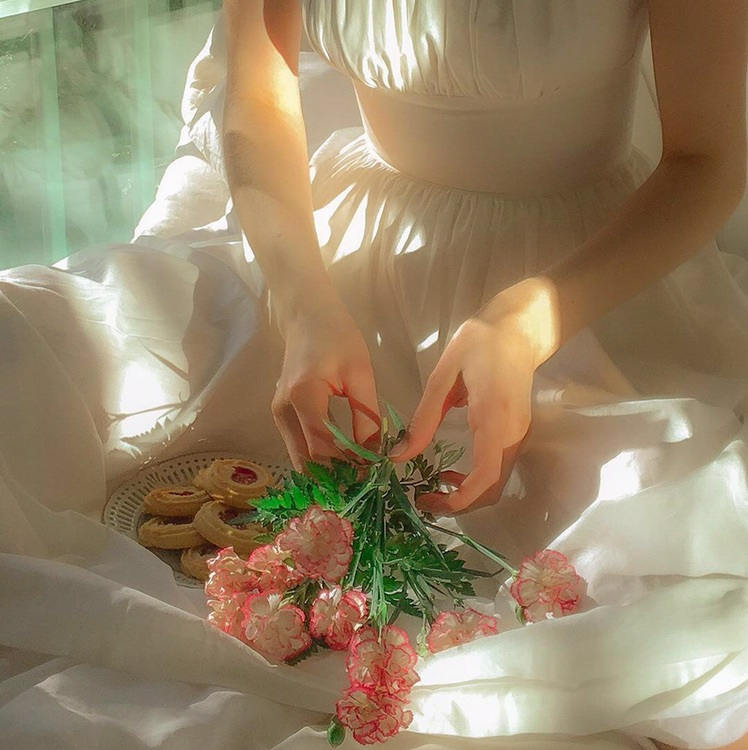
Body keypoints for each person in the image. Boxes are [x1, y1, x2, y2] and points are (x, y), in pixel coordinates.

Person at [0, 1, 747, 748]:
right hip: (336, 262)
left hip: (589, 293)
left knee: (655, 605)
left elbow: (706, 160)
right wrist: (304, 306)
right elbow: (258, 99)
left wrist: (531, 321)